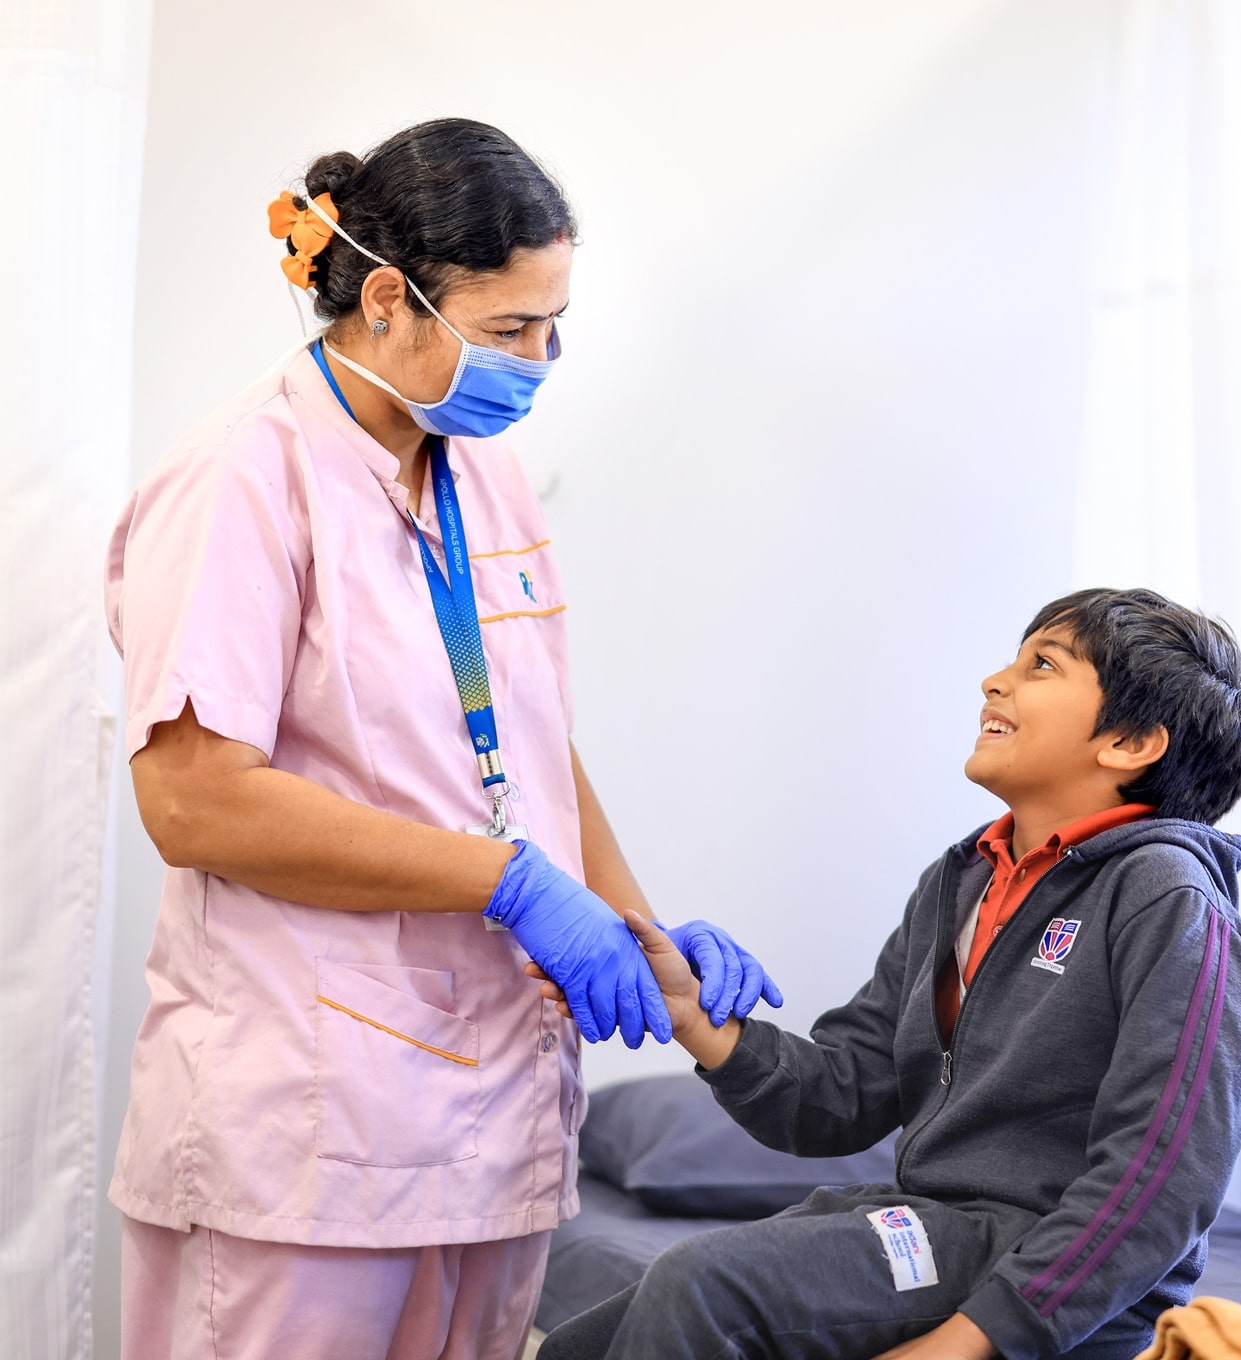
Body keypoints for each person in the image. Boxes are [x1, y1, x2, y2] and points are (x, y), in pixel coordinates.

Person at [105, 117, 778, 1360]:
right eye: (511, 328)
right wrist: (510, 883)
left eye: (554, 324)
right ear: (385, 301)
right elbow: (195, 802)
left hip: (494, 1112)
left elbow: (525, 742)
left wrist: (631, 924)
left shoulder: (480, 471)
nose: (541, 359)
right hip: (308, 1122)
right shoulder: (245, 479)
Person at [536, 587, 1241, 1360]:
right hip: (933, 1226)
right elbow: (841, 1097)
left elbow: (1163, 1177)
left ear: (1129, 743)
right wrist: (692, 1014)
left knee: (704, 1288)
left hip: (1049, 1275)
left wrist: (966, 1343)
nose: (995, 681)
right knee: (581, 1346)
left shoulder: (1171, 903)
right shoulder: (961, 882)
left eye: (1042, 666)